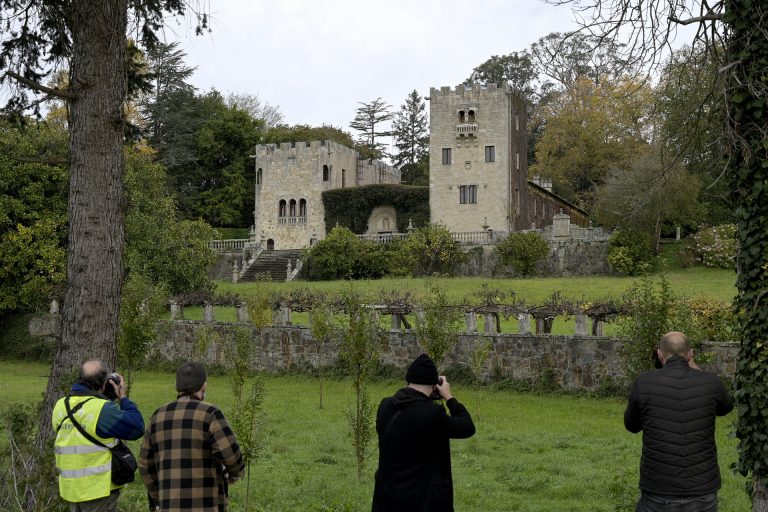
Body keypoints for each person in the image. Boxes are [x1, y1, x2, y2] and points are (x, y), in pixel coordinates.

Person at [624, 331, 734, 512]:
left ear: (659, 354)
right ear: (690, 354)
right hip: (702, 488)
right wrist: (695, 367)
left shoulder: (643, 382)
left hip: (658, 488)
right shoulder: (710, 382)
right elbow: (726, 407)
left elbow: (631, 425)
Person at [372, 353, 476, 512]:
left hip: (387, 497)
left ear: (409, 380)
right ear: (435, 385)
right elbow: (467, 427)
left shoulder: (385, 405)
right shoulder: (432, 414)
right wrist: (449, 397)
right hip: (419, 500)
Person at [139, 361, 244, 512]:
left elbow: (144, 465)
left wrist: (159, 495)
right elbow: (231, 455)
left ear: (177, 386)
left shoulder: (157, 416)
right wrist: (234, 474)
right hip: (207, 505)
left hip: (170, 506)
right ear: (204, 386)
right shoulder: (210, 413)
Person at [52, 359, 145, 512]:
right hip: (97, 490)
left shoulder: (60, 405)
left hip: (71, 489)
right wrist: (122, 397)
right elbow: (137, 427)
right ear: (104, 383)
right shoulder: (102, 410)